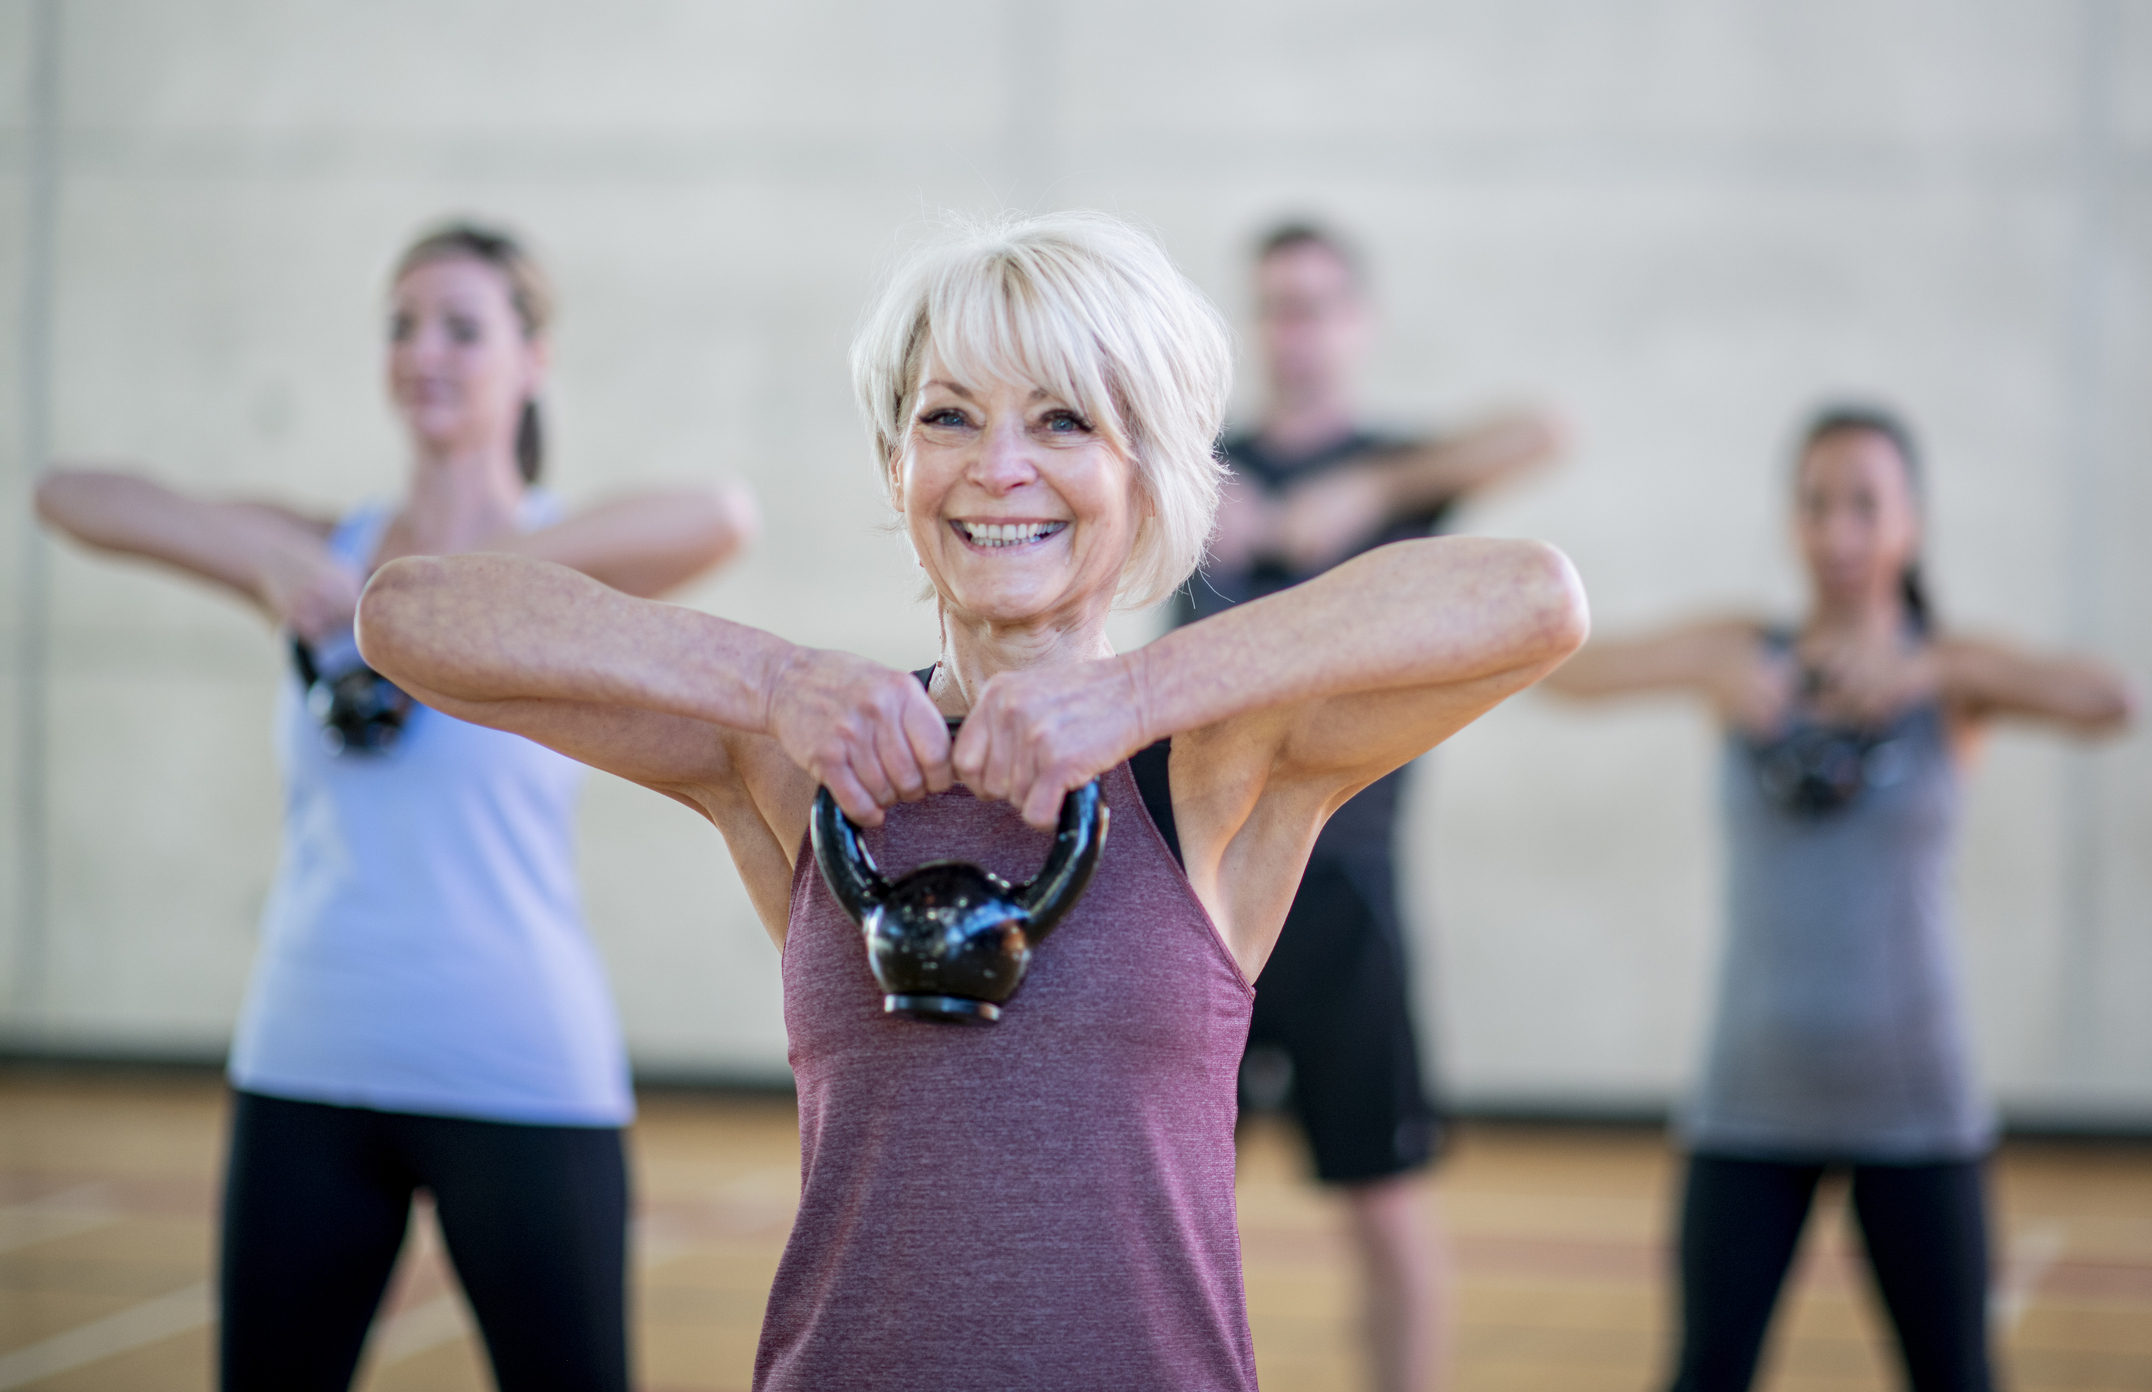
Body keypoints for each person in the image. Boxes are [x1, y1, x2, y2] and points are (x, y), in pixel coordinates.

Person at [354, 210, 1590, 1392]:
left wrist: (1139, 692)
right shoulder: (798, 757)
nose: (998, 471)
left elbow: (1533, 598)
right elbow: (407, 617)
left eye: (1061, 422)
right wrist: (770, 676)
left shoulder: (1214, 769)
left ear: (1144, 474)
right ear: (899, 468)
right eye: (949, 418)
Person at [36, 222, 758, 1392]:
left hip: (519, 1068)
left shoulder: (558, 567)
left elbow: (723, 513)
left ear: (532, 361)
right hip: (306, 1064)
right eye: (402, 325)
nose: (425, 350)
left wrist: (454, 591)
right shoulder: (328, 553)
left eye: (462, 328)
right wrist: (264, 561)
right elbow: (71, 493)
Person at [1543, 406, 2134, 1392]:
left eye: (1866, 506)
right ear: (1791, 520)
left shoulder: (1950, 674)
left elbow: (2114, 700)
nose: (1840, 533)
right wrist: (1720, 672)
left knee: (1956, 1373)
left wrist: (1932, 669)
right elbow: (1565, 673)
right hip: (1748, 1104)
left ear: (1912, 524)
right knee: (1704, 1372)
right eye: (1817, 505)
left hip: (1915, 1104)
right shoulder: (1740, 648)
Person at [1174, 221, 1567, 1392]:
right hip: (1194, 893)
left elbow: (1542, 428)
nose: (1296, 331)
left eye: (1317, 306)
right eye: (1277, 307)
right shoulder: (1200, 474)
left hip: (1345, 894)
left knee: (1385, 1206)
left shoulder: (1396, 475)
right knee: (1173, 1202)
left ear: (1357, 323)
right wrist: (1189, 504)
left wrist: (1366, 489)